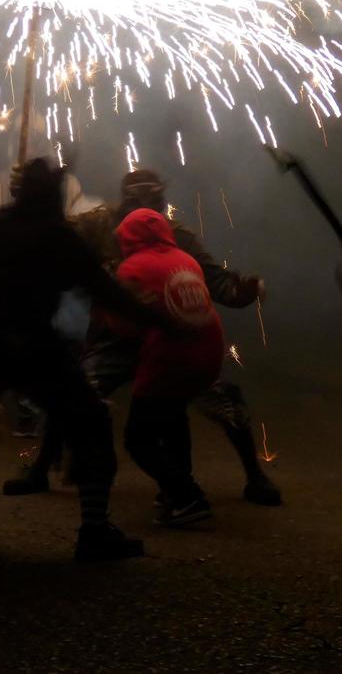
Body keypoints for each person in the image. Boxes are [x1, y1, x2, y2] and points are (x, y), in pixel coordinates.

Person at [0, 159, 165, 563]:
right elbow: (106, 292)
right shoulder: (53, 237)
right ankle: (93, 530)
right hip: (25, 347)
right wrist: (157, 319)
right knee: (90, 424)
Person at [5, 167, 282, 507]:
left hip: (169, 341)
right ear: (124, 202)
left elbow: (220, 285)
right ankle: (40, 468)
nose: (147, 204)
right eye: (138, 198)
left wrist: (245, 289)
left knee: (223, 398)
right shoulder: (99, 225)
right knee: (72, 390)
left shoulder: (178, 236)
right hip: (115, 340)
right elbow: (54, 237)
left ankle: (253, 476)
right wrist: (27, 205)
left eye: (154, 198)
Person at [109, 208, 226, 526]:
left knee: (138, 437)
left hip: (171, 359)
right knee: (174, 416)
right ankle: (175, 491)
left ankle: (188, 496)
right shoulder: (187, 260)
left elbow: (125, 328)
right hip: (209, 355)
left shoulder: (132, 267)